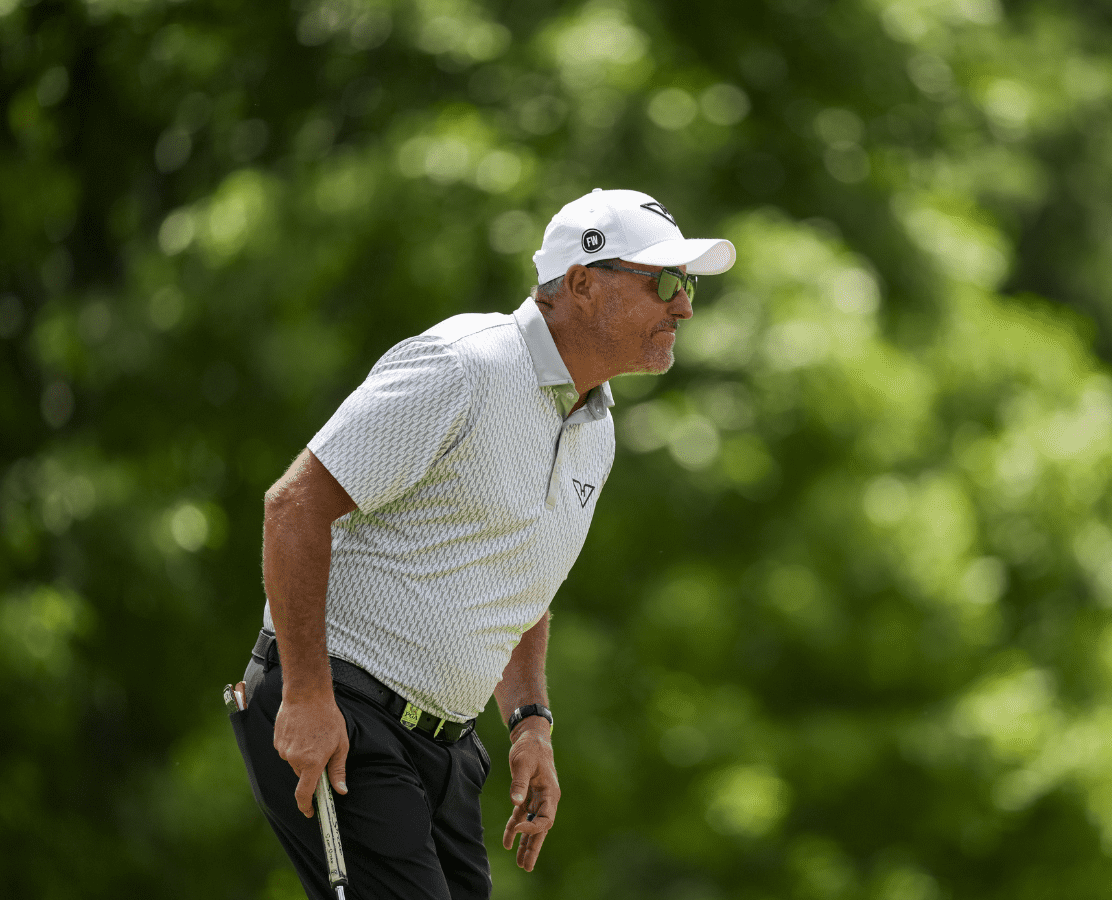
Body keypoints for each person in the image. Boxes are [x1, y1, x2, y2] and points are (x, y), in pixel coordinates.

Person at [228, 188, 736, 899]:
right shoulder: (463, 365)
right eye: (666, 283)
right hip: (344, 715)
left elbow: (521, 577)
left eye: (687, 287)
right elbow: (292, 508)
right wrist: (308, 696)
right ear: (582, 284)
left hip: (447, 752)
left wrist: (530, 722)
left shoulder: (597, 424)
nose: (684, 305)